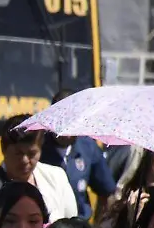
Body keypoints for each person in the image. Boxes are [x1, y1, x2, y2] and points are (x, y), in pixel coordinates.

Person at [41, 90, 119, 220]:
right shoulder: (38, 148)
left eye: (72, 122)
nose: (67, 131)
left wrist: (99, 225)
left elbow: (106, 192)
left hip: (79, 225)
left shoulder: (88, 147)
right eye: (62, 121)